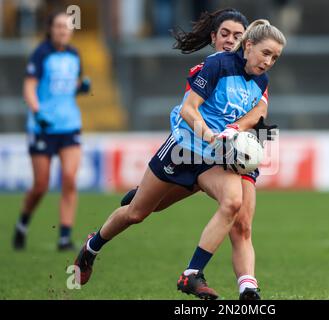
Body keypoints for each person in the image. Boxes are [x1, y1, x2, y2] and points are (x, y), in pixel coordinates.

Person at [74, 18, 286, 301]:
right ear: (249, 45)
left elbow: (259, 113)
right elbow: (188, 110)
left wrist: (234, 132)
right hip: (183, 148)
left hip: (214, 158)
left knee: (234, 203)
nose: (270, 61)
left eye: (275, 57)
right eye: (266, 53)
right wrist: (212, 136)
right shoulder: (216, 66)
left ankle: (193, 274)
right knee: (138, 212)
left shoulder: (261, 79)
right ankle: (92, 246)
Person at [13, 11, 90, 251]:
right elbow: (29, 89)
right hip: (43, 127)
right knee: (41, 185)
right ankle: (23, 223)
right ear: (51, 29)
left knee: (69, 179)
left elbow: (71, 86)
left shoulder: (74, 54)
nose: (62, 31)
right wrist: (38, 113)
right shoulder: (40, 53)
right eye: (58, 26)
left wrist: (82, 87)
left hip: (69, 125)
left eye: (66, 27)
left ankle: (64, 236)